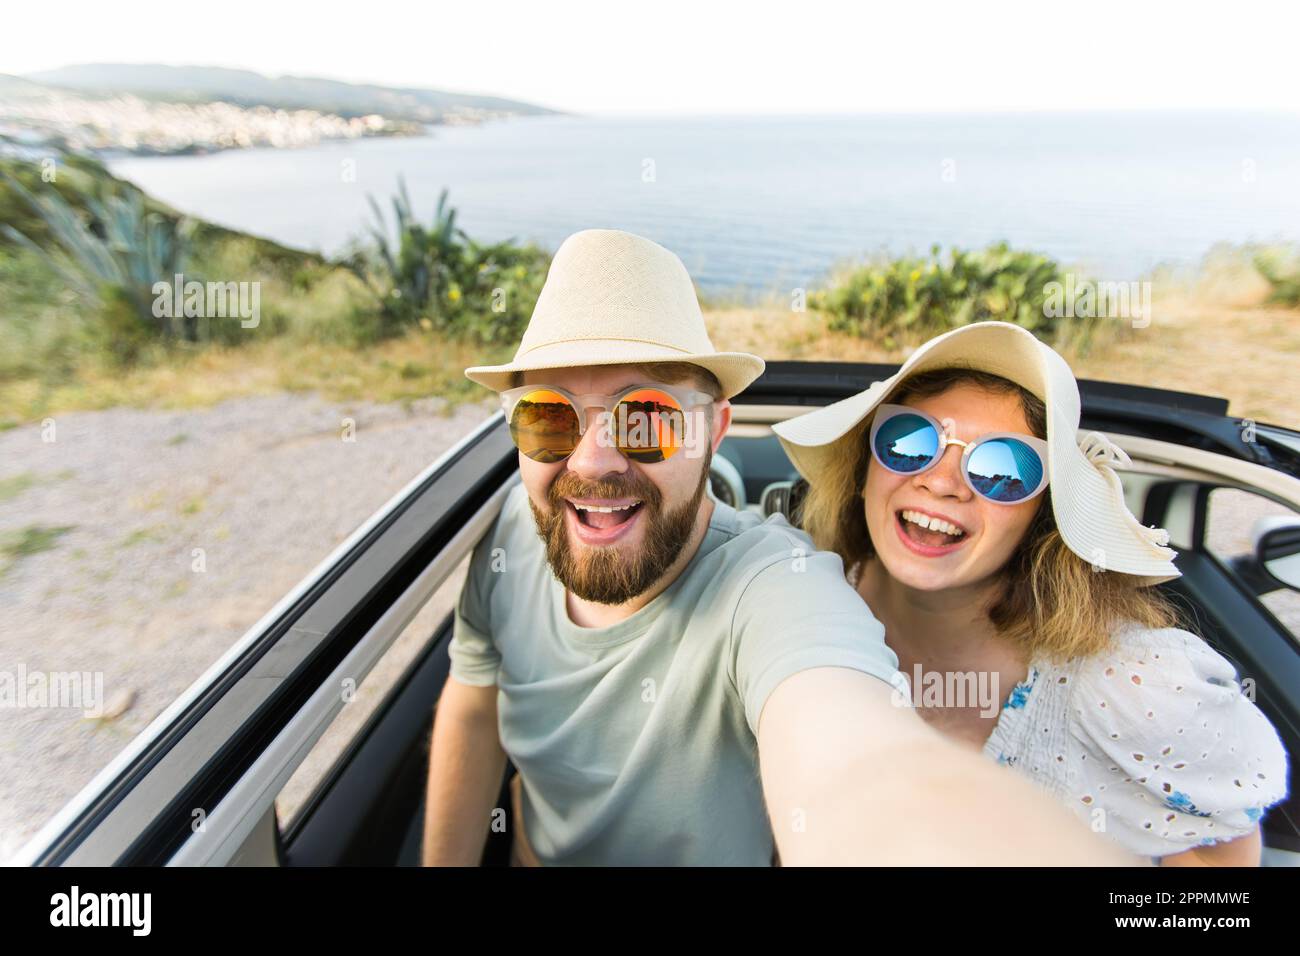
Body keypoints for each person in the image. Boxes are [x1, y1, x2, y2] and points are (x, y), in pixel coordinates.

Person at [422, 230, 1131, 866]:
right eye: (547, 417)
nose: (595, 461)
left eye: (647, 418)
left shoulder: (774, 587)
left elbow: (859, 761)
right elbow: (474, 704)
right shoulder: (512, 536)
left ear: (715, 428)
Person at [772, 320, 1290, 865]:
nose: (942, 481)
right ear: (865, 468)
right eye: (909, 441)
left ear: (1045, 515)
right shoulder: (787, 600)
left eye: (1003, 468)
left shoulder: (1134, 686)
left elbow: (1218, 862)